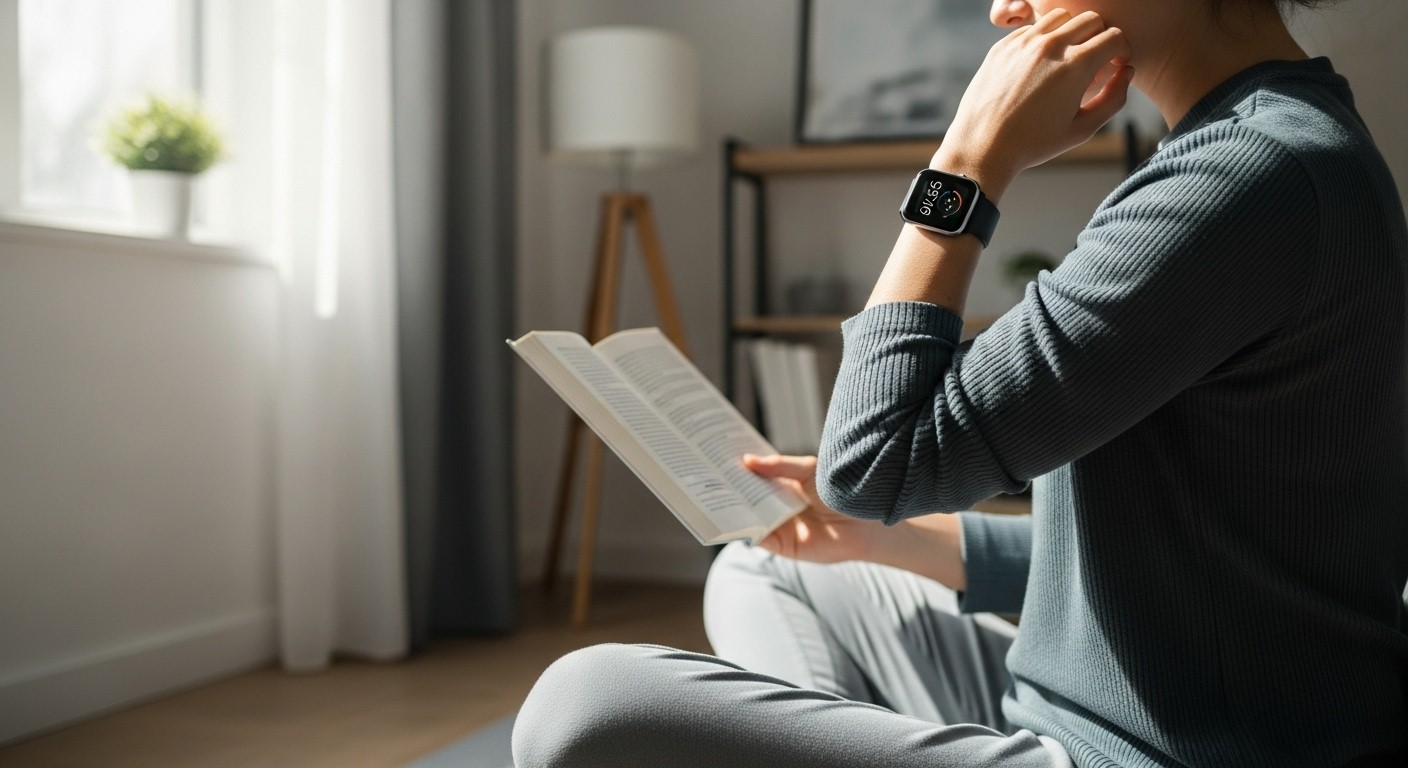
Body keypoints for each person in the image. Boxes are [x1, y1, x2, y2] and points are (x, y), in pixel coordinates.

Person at [513, 0, 1408, 765]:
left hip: (1145, 751)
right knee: (764, 567)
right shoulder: (1279, 147)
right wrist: (872, 540)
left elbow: (876, 460)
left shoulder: (1248, 177)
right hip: (1112, 705)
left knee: (582, 705)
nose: (1001, 10)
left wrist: (966, 162)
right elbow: (1193, 564)